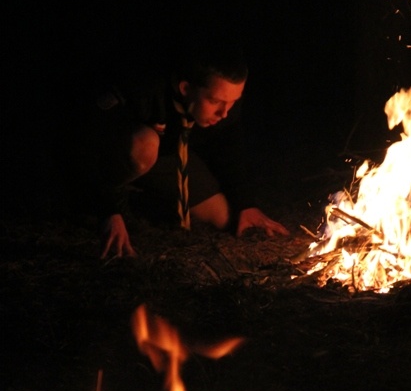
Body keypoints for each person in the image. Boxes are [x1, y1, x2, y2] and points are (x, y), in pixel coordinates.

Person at [73, 38, 289, 258]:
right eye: (215, 101)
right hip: (117, 153)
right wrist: (110, 210)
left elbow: (231, 150)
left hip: (166, 158)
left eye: (233, 101)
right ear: (185, 88)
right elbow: (88, 144)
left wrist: (245, 204)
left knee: (223, 216)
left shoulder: (224, 105)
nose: (224, 112)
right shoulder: (144, 89)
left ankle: (142, 201)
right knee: (144, 147)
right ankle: (95, 202)